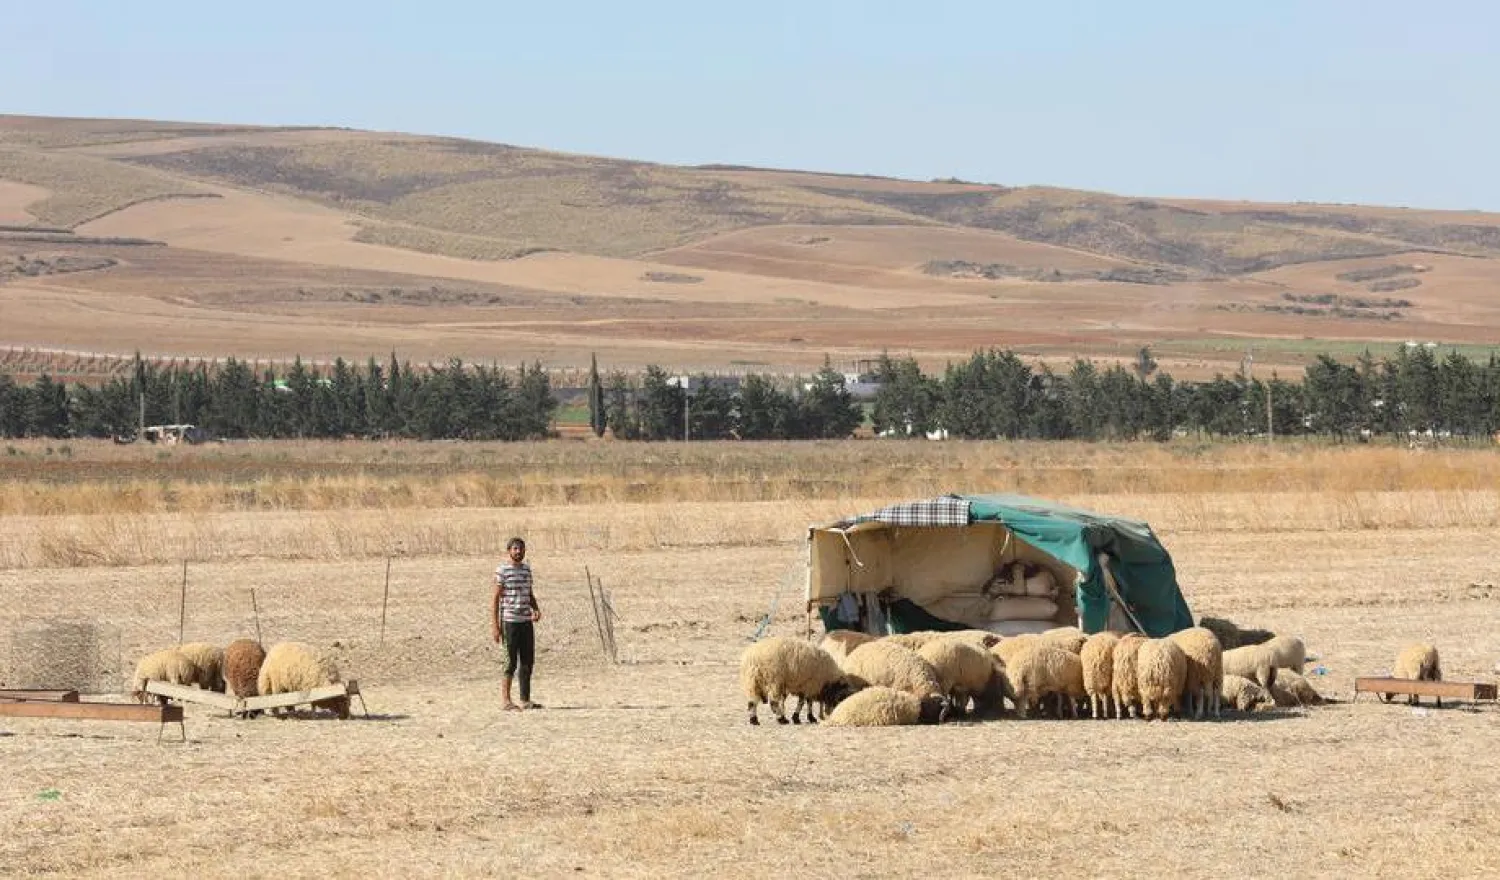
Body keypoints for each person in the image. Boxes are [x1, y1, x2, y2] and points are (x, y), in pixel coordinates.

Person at [491, 536, 542, 710]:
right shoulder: (502, 571)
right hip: (509, 621)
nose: (518, 552)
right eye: (515, 549)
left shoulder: (527, 570)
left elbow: (529, 593)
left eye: (520, 549)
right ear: (509, 551)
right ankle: (506, 700)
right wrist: (495, 626)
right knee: (510, 661)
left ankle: (525, 699)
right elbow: (496, 598)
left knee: (527, 660)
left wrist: (535, 609)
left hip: (525, 621)